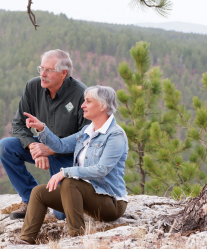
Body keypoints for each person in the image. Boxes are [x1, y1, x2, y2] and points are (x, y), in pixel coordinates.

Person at [17, 85, 128, 244]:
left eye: (88, 101)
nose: (82, 105)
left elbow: (102, 170)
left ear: (103, 106)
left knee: (69, 182)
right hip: (84, 196)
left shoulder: (115, 135)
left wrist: (65, 172)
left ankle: (76, 238)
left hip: (111, 202)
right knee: (39, 192)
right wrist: (41, 128)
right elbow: (60, 146)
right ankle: (25, 241)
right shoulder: (86, 131)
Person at [0, 49, 90, 220]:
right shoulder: (33, 87)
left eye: (48, 70)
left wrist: (51, 150)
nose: (42, 74)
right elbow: (18, 124)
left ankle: (74, 197)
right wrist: (33, 147)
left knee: (61, 215)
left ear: (63, 73)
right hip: (41, 147)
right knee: (5, 147)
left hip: (68, 157)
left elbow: (87, 138)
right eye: (41, 68)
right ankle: (30, 199)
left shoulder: (80, 95)